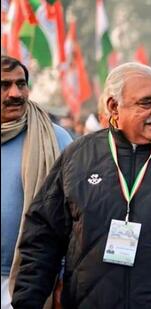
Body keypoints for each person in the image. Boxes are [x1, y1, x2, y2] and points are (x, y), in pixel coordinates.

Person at [11, 62, 151, 308]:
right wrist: (28, 301)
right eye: (147, 103)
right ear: (114, 106)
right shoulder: (79, 156)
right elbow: (42, 238)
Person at [1, 55, 73, 309]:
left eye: (21, 84)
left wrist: (63, 276)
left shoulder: (55, 139)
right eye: (4, 85)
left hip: (28, 281)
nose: (15, 93)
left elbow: (73, 213)